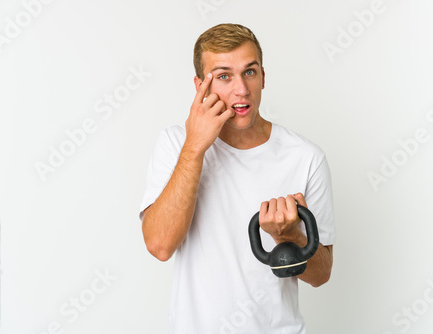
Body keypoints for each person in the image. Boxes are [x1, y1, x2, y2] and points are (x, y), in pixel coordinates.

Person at [139, 23, 335, 333]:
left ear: (263, 77)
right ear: (200, 85)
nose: (241, 90)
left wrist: (290, 236)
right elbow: (160, 245)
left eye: (250, 72)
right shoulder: (176, 144)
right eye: (224, 76)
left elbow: (321, 274)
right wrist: (195, 148)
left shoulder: (305, 157)